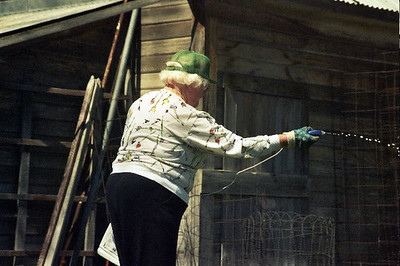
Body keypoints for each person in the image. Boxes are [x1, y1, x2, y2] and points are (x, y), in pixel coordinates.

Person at [105, 50, 319, 265]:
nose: (204, 93)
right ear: (190, 83)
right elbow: (237, 146)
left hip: (118, 185)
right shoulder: (184, 113)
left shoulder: (142, 101)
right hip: (153, 191)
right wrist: (287, 138)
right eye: (204, 86)